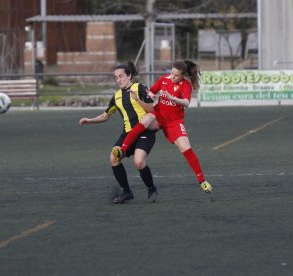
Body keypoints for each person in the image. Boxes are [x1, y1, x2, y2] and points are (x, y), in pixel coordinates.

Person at [112, 60, 213, 194]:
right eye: (172, 73)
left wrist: (173, 98)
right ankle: (122, 149)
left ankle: (202, 181)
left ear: (183, 75)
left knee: (186, 148)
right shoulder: (164, 79)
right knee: (145, 120)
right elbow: (152, 92)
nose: (172, 77)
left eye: (176, 75)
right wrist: (149, 95)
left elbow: (186, 102)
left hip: (174, 121)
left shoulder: (186, 86)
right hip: (159, 115)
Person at [79, 61, 158, 203]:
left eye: (121, 76)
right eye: (116, 77)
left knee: (139, 162)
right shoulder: (116, 96)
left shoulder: (139, 87)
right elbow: (105, 115)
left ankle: (151, 188)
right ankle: (126, 191)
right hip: (127, 134)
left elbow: (152, 109)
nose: (119, 80)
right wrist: (89, 120)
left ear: (129, 76)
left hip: (144, 131)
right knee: (113, 158)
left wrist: (137, 100)